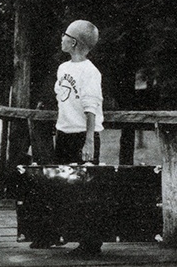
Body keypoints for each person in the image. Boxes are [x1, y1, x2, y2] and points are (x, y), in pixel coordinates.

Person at [55, 19, 104, 256]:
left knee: (86, 190)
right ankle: (60, 234)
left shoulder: (90, 72)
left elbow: (91, 107)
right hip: (64, 133)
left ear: (73, 42)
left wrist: (89, 141)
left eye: (65, 36)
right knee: (63, 185)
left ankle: (91, 242)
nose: (61, 39)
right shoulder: (63, 68)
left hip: (82, 136)